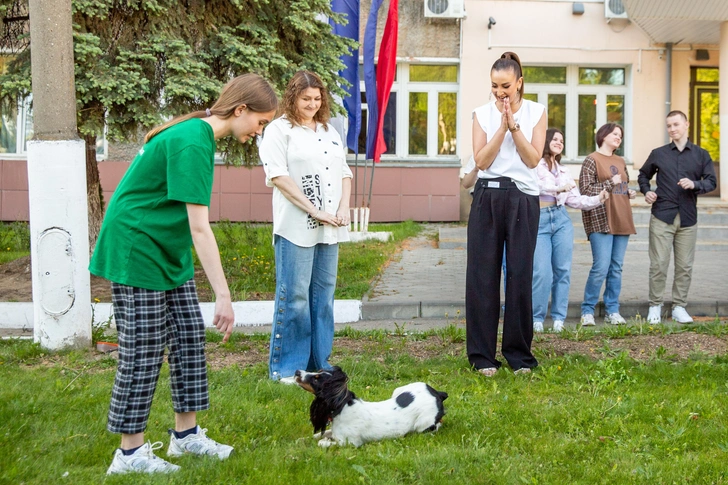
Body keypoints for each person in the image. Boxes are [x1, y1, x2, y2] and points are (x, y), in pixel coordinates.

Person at [90, 73, 278, 474]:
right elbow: (199, 227)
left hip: (164, 248)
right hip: (136, 247)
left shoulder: (199, 135)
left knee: (189, 337)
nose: (259, 132)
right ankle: (129, 455)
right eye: (260, 122)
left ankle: (186, 437)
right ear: (241, 109)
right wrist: (224, 296)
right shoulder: (193, 140)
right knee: (143, 350)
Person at [259, 71, 353, 383]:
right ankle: (286, 369)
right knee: (295, 296)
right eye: (305, 99)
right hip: (296, 225)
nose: (312, 104)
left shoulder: (329, 130)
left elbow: (344, 172)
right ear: (292, 98)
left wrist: (341, 208)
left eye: (317, 99)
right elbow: (278, 177)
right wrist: (315, 210)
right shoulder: (278, 130)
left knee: (323, 297)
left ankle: (319, 363)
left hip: (330, 228)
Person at [466, 51, 546, 377]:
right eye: (495, 86)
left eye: (506, 86)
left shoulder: (537, 112)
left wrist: (514, 126)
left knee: (519, 277)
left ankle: (518, 356)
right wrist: (500, 127)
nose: (500, 92)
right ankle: (483, 357)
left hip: (523, 199)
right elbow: (482, 161)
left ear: (519, 83)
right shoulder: (480, 114)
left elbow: (532, 159)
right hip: (487, 197)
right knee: (482, 278)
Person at [637, 110, 717, 324]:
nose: (672, 129)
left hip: (688, 218)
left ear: (686, 125)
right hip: (662, 216)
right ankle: (655, 305)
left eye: (676, 124)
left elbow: (711, 181)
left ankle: (679, 307)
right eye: (669, 126)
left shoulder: (701, 154)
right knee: (659, 264)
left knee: (684, 266)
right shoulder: (659, 153)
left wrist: (695, 184)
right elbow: (643, 175)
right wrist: (647, 191)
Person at [532, 129, 609, 333]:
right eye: (555, 139)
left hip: (561, 219)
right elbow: (534, 186)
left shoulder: (564, 171)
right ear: (545, 140)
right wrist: (557, 189)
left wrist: (597, 199)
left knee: (562, 270)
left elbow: (575, 199)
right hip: (539, 219)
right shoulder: (533, 164)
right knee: (541, 272)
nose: (559, 143)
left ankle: (558, 318)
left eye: (562, 141)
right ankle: (536, 318)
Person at [578, 123, 636, 326]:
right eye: (615, 134)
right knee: (600, 267)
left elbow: (623, 184)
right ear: (603, 135)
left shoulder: (620, 160)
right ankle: (587, 311)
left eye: (621, 135)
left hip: (622, 218)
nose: (619, 137)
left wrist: (629, 191)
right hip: (601, 220)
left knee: (616, 268)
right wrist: (610, 182)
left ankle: (613, 310)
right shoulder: (591, 160)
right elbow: (585, 190)